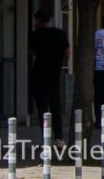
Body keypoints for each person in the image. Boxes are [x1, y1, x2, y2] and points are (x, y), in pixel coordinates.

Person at [29, 9, 69, 146]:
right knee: (56, 106)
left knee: (42, 108)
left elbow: (32, 52)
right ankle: (59, 138)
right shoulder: (60, 33)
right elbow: (67, 53)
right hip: (55, 75)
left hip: (39, 74)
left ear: (39, 21)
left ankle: (46, 137)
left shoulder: (35, 35)